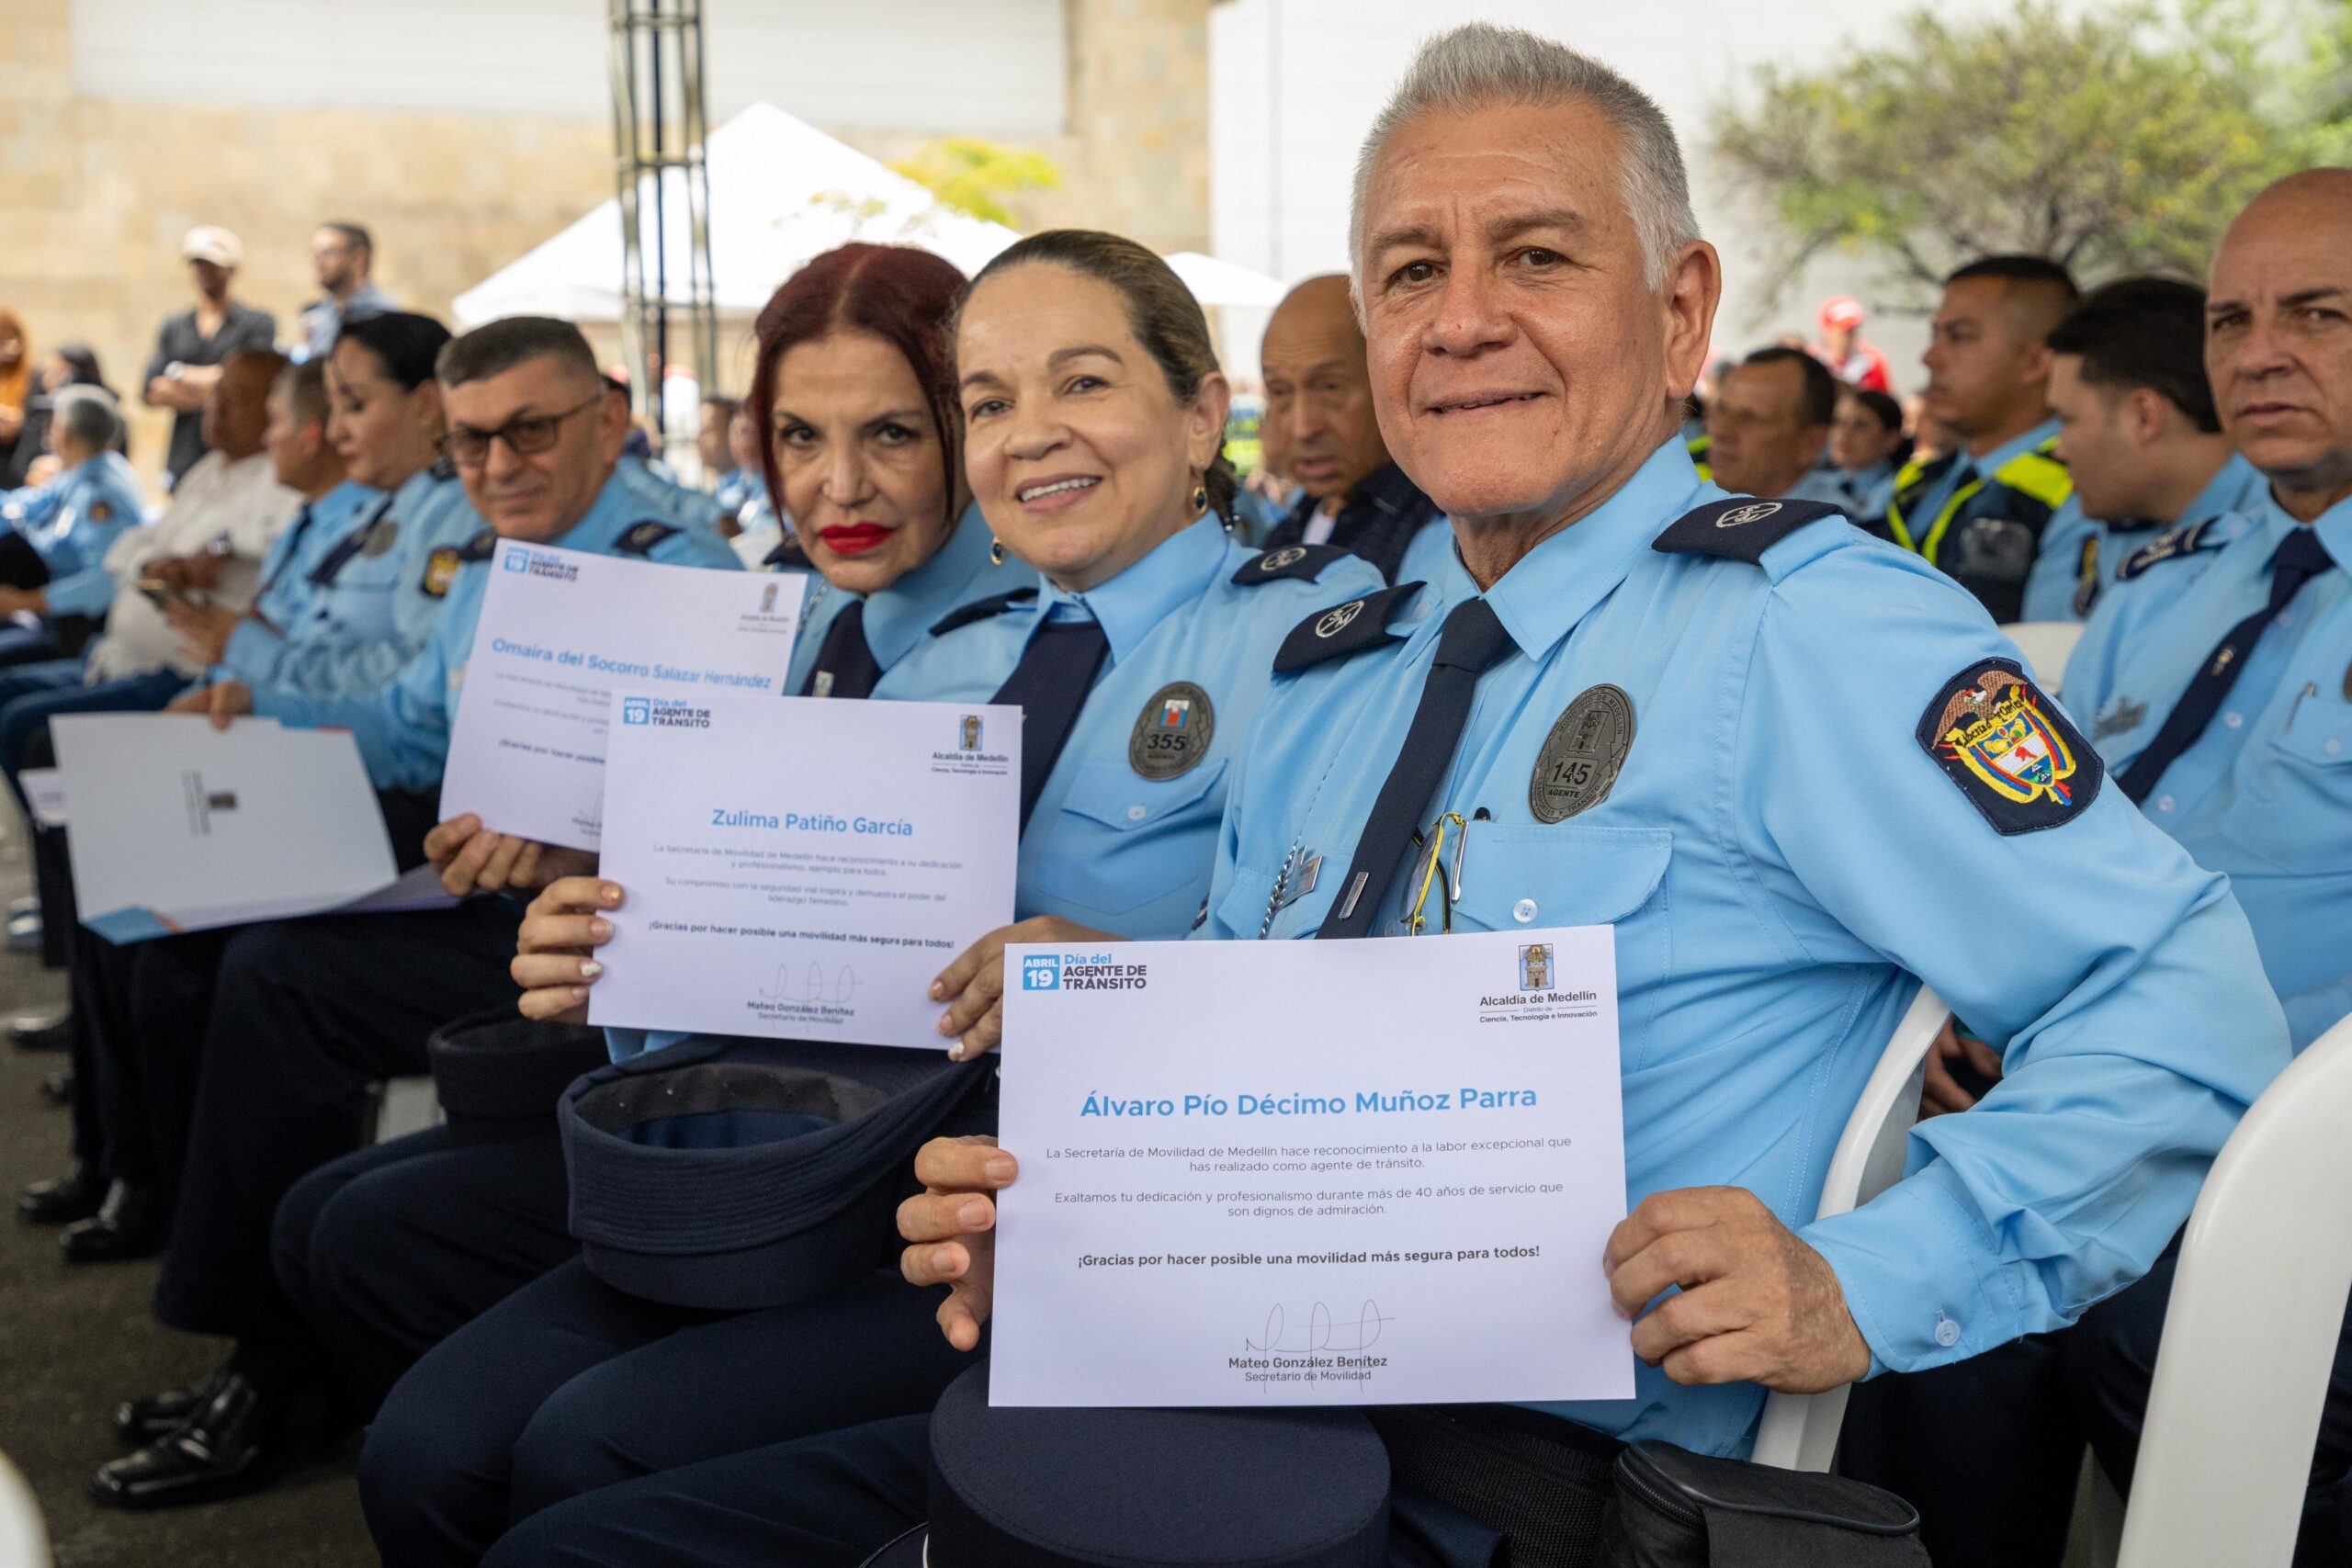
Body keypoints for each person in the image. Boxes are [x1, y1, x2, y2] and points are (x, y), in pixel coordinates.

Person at [481, 26, 2290, 1568]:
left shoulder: (1805, 633)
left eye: (1536, 257)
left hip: (1494, 1484)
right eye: (1411, 272)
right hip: (1195, 1381)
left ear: (1676, 311)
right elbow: (1273, 1013)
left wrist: (1862, 1276)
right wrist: (1070, 1183)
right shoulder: (1343, 651)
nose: (1463, 322)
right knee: (573, 1514)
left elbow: (2182, 1003)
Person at [359, 231, 1383, 1568]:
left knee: (581, 1452)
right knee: (425, 1442)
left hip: (1047, 1212)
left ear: (1199, 414)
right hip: (836, 1159)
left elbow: (1329, 991)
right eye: (992, 401)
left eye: (1082, 384)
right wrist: (623, 939)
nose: (1029, 436)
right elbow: (801, 940)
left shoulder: (1314, 639)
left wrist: (1112, 978)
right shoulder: (963, 652)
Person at [267, 244, 1036, 1441]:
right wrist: (604, 916)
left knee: (480, 1421)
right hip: (730, 1116)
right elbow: (708, 937)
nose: (839, 485)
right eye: (795, 437)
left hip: (875, 1172)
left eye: (891, 432)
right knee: (392, 1338)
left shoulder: (1040, 645)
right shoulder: (790, 627)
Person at [86, 316, 737, 1511]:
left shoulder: (684, 578)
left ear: (607, 417)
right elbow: (405, 727)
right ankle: (259, 1337)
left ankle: (274, 1370)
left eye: (530, 431)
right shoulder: (493, 566)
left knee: (282, 977)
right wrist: (252, 699)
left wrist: (584, 837)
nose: (499, 466)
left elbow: (734, 824)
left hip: (620, 941)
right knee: (200, 923)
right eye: (475, 440)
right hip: (483, 889)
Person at [1842, 167, 2352, 1568]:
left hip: (2305, 1168)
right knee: (1912, 1319)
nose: (2259, 352)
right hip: (2079, 1121)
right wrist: (1973, 1008)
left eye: (2320, 313)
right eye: (2235, 318)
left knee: (2136, 1330)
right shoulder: (2156, 591)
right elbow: (2037, 866)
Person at [2018, 276, 2266, 621]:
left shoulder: (2283, 530)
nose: (2058, 450)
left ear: (2144, 416)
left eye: (2067, 420)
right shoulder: (2093, 514)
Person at [1877, 255, 2080, 623]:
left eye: (1959, 336)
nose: (1930, 357)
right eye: (1934, 334)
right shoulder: (1922, 479)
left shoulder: (2082, 486)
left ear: (2035, 363)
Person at [1255, 275, 1448, 582]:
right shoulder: (1286, 534)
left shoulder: (1443, 530)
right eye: (1279, 392)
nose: (1303, 428)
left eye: (1330, 387)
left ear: (1390, 377)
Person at [0, 389, 143, 665]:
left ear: (63, 431)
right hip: (54, 615)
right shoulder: (80, 471)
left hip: (79, 631)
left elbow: (106, 582)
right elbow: (21, 506)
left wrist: (25, 602)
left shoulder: (100, 494)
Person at [142, 227, 277, 487]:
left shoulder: (257, 323)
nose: (205, 273)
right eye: (199, 265)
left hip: (238, 456)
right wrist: (218, 390)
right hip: (184, 458)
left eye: (213, 266)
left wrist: (181, 375)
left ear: (232, 269)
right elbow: (152, 390)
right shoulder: (175, 326)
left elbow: (251, 383)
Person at [1702, 345, 1847, 503]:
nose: (1722, 431)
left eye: (1751, 418)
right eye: (1720, 410)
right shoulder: (1703, 511)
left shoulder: (1835, 526)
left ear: (1810, 443)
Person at [296, 221, 397, 364]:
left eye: (328, 253)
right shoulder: (317, 315)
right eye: (315, 253)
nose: (317, 261)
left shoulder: (385, 315)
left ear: (358, 258)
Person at [1829, 387, 1907, 519]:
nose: (1844, 433)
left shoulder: (1900, 493)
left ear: (1891, 439)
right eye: (1839, 422)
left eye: (1860, 425)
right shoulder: (1818, 482)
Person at [1812, 294, 1893, 392]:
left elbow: (1884, 403)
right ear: (1827, 331)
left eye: (1854, 330)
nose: (1851, 336)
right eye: (1845, 331)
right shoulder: (1812, 359)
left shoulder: (1872, 363)